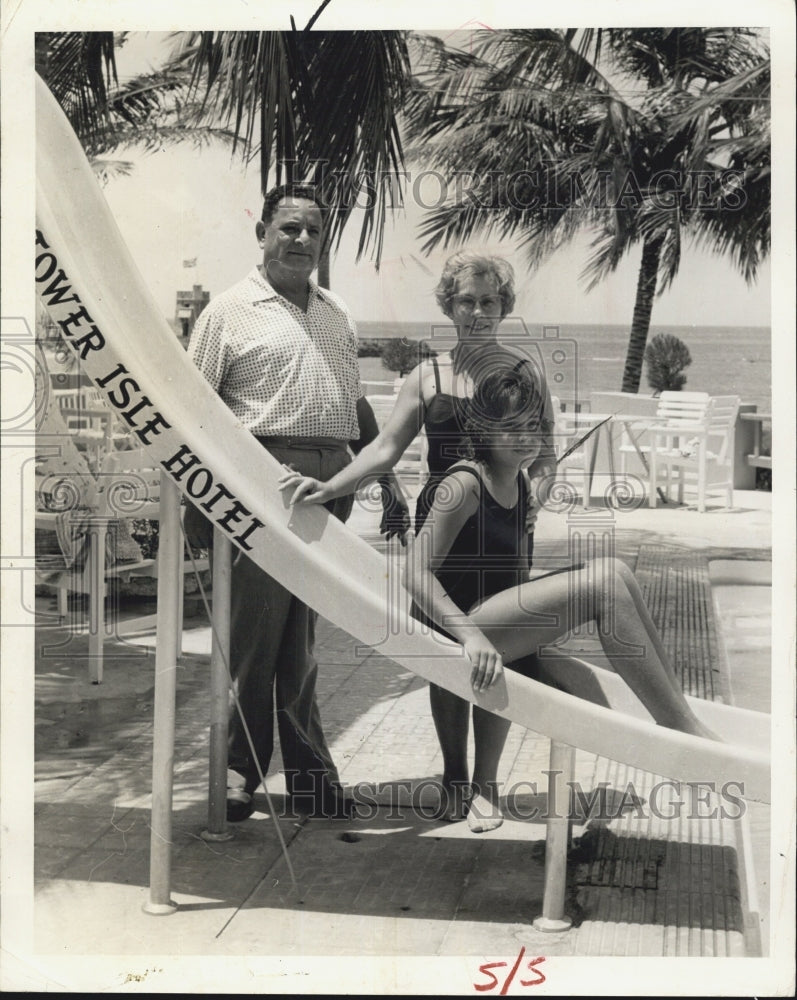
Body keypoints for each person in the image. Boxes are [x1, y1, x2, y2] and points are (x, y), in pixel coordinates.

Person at [279, 251, 558, 821]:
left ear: (505, 306)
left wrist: (535, 498)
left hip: (500, 527)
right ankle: (455, 777)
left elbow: (546, 453)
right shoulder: (427, 375)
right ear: (449, 306)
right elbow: (384, 450)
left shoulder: (525, 375)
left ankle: (486, 783)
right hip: (445, 528)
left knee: (503, 651)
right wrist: (329, 488)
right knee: (448, 654)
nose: (477, 312)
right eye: (466, 301)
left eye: (489, 301)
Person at [402, 368, 718, 832]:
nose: (525, 438)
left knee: (616, 572)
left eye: (532, 426)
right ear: (481, 430)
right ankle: (681, 735)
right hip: (451, 627)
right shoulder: (463, 484)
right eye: (511, 428)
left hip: (490, 614)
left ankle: (679, 714)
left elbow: (513, 577)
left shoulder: (521, 485)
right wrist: (469, 637)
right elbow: (413, 573)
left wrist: (534, 635)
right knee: (603, 587)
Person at [185, 183, 408, 822]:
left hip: (331, 483)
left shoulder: (335, 310)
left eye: (312, 230)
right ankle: (235, 774)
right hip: (264, 483)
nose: (301, 240)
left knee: (302, 644)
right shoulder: (227, 312)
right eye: (288, 228)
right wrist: (193, 504)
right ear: (261, 233)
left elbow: (354, 403)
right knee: (256, 638)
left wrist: (385, 479)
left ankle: (309, 776)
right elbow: (193, 410)